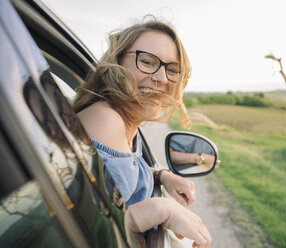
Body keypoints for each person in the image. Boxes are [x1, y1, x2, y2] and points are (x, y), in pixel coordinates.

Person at [72, 16, 211, 247]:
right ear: (117, 61)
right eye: (147, 62)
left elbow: (117, 180)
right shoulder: (106, 120)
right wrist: (162, 209)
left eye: (172, 69)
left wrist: (161, 176)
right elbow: (94, 229)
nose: (161, 78)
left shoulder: (127, 122)